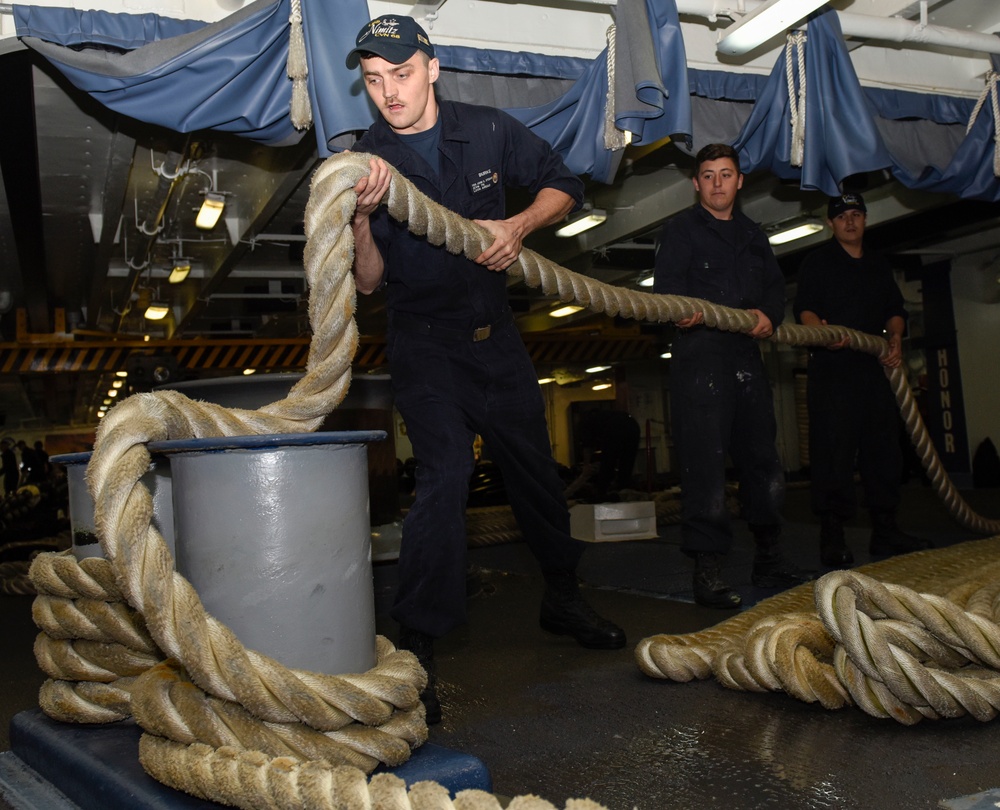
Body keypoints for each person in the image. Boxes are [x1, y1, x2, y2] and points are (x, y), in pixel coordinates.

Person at [344, 16, 625, 723]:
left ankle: (562, 596)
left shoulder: (491, 131)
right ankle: (418, 648)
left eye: (401, 75)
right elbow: (370, 282)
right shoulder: (367, 162)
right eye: (375, 81)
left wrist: (517, 226)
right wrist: (357, 220)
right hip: (424, 342)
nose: (390, 94)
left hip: (495, 338)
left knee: (535, 471)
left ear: (432, 68)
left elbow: (564, 184)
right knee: (443, 477)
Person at [653, 143, 811, 610]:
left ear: (740, 181)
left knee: (763, 460)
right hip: (699, 360)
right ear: (696, 183)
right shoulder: (679, 232)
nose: (717, 183)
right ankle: (709, 571)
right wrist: (678, 311)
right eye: (708, 175)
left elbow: (775, 290)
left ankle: (769, 555)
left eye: (726, 174)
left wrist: (769, 314)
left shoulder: (754, 236)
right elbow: (666, 294)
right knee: (705, 465)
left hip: (746, 359)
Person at [794, 192, 931, 566]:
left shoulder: (877, 265)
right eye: (842, 217)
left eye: (856, 215)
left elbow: (894, 310)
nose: (850, 222)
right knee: (833, 455)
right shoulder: (818, 263)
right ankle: (832, 536)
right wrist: (819, 331)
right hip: (833, 375)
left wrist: (896, 336)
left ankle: (885, 531)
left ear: (865, 220)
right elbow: (804, 309)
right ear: (830, 223)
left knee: (884, 452)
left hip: (874, 373)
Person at [576, 408, 641, 501]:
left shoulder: (585, 424)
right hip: (633, 425)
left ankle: (601, 493)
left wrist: (586, 466)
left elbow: (587, 447)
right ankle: (623, 487)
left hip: (615, 428)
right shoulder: (603, 417)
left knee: (608, 462)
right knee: (627, 461)